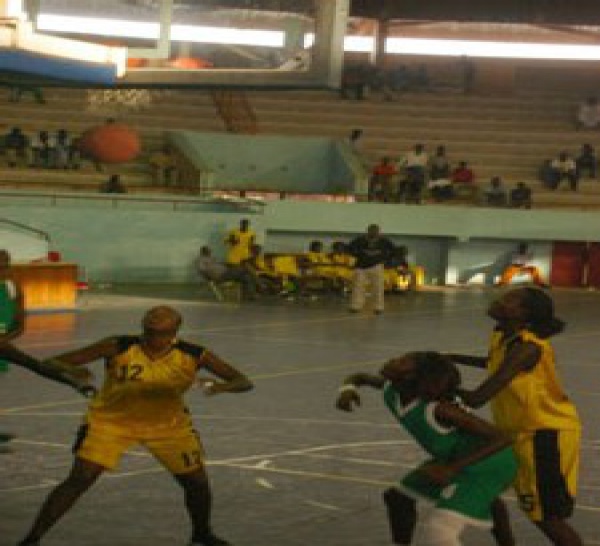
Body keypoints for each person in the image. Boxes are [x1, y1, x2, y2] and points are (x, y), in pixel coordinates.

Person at [17, 305, 253, 546]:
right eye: (149, 330)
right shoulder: (118, 345)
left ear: (174, 332)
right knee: (80, 478)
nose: (152, 337)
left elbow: (243, 381)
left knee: (197, 483)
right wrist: (72, 369)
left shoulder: (194, 354)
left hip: (168, 425)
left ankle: (202, 533)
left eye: (159, 332)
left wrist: (222, 387)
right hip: (111, 421)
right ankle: (32, 538)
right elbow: (52, 362)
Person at [336, 352, 517, 546]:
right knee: (398, 498)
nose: (392, 360)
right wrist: (348, 389)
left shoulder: (440, 409)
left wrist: (451, 469)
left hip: (490, 463)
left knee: (440, 531)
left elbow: (503, 437)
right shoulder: (393, 387)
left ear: (414, 377)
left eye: (402, 361)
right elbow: (360, 377)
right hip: (458, 458)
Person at [448, 288, 583, 546]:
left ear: (525, 315)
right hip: (519, 433)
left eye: (511, 300)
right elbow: (492, 363)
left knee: (546, 517)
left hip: (545, 435)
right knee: (493, 492)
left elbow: (478, 398)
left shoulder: (527, 349)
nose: (499, 299)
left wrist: (431, 384)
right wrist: (449, 358)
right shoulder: (502, 335)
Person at [0, 249, 92, 451]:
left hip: (2, 342)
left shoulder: (11, 286)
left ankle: (74, 382)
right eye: (1, 265)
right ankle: (75, 383)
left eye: (6, 265)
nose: (4, 269)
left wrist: (6, 338)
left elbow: (20, 323)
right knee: (32, 364)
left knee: (31, 365)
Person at [347, 224, 395, 314]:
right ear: (368, 231)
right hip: (360, 267)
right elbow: (350, 249)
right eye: (371, 230)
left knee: (378, 287)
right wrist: (358, 255)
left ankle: (378, 307)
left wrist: (385, 259)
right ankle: (355, 306)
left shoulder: (384, 241)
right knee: (358, 287)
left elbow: (393, 251)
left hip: (376, 266)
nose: (373, 232)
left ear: (379, 232)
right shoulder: (359, 240)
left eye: (375, 231)